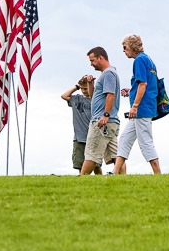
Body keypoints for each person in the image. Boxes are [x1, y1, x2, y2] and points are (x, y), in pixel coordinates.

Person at [112, 35, 161, 175]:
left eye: (125, 47)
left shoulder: (139, 60)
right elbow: (147, 84)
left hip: (142, 109)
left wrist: (134, 106)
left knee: (146, 142)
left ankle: (158, 175)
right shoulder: (148, 59)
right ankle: (115, 173)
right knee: (125, 139)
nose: (124, 51)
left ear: (133, 46)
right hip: (147, 105)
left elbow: (143, 84)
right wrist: (131, 91)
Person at [79, 47, 121, 176]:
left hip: (102, 121)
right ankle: (124, 179)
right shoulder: (107, 74)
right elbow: (93, 98)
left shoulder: (108, 73)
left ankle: (81, 181)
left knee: (91, 154)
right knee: (116, 156)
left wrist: (105, 115)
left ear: (100, 58)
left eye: (92, 60)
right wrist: (90, 84)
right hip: (111, 121)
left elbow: (110, 95)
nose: (91, 64)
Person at [61, 75, 100, 174]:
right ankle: (82, 180)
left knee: (95, 164)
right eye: (82, 89)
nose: (84, 91)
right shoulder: (76, 99)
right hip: (79, 137)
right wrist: (77, 87)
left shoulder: (95, 100)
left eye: (86, 88)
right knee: (80, 164)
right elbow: (64, 96)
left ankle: (101, 179)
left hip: (93, 136)